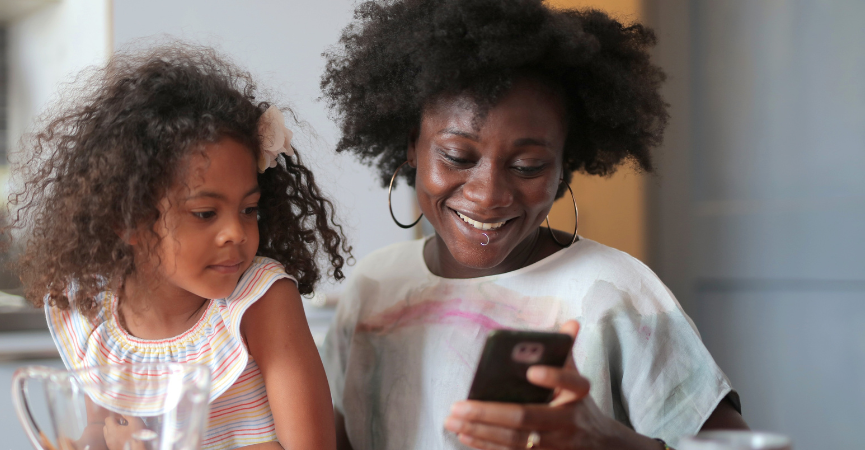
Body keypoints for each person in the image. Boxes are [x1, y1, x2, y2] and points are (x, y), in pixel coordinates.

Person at [319, 1, 749, 449]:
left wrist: (608, 441)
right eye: (458, 157)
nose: (488, 196)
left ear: (564, 166)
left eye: (527, 165)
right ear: (413, 145)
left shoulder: (613, 294)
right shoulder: (374, 285)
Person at [3, 44, 349, 450]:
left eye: (249, 209)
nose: (235, 233)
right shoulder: (97, 310)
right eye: (205, 213)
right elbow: (100, 434)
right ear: (127, 220)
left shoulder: (260, 301)